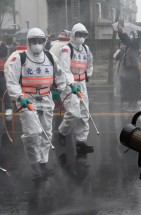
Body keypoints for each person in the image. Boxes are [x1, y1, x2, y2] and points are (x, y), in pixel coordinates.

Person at [4, 28, 67, 185]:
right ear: (28, 41)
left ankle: (43, 164)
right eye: (34, 41)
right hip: (27, 98)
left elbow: (60, 75)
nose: (37, 44)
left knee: (46, 133)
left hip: (46, 98)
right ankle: (35, 165)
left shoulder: (50, 57)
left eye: (40, 41)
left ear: (45, 41)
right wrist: (19, 96)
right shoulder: (20, 58)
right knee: (33, 134)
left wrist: (58, 90)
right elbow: (11, 81)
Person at [57, 23, 94, 155]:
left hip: (82, 83)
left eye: (83, 35)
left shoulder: (85, 49)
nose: (81, 38)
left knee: (84, 114)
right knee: (74, 113)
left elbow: (90, 63)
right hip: (70, 85)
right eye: (78, 35)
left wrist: (88, 74)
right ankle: (62, 132)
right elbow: (64, 69)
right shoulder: (66, 50)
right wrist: (71, 83)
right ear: (73, 35)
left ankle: (81, 142)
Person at [117, 23, 141, 111]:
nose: (131, 36)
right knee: (128, 88)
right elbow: (125, 40)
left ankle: (134, 105)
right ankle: (130, 104)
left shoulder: (136, 45)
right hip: (128, 68)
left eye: (132, 34)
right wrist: (120, 33)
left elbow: (128, 40)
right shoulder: (129, 45)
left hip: (133, 69)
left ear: (136, 36)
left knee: (134, 88)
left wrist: (123, 32)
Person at [0, 37, 12, 120]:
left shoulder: (2, 44)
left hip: (0, 72)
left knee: (4, 88)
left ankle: (8, 108)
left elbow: (3, 53)